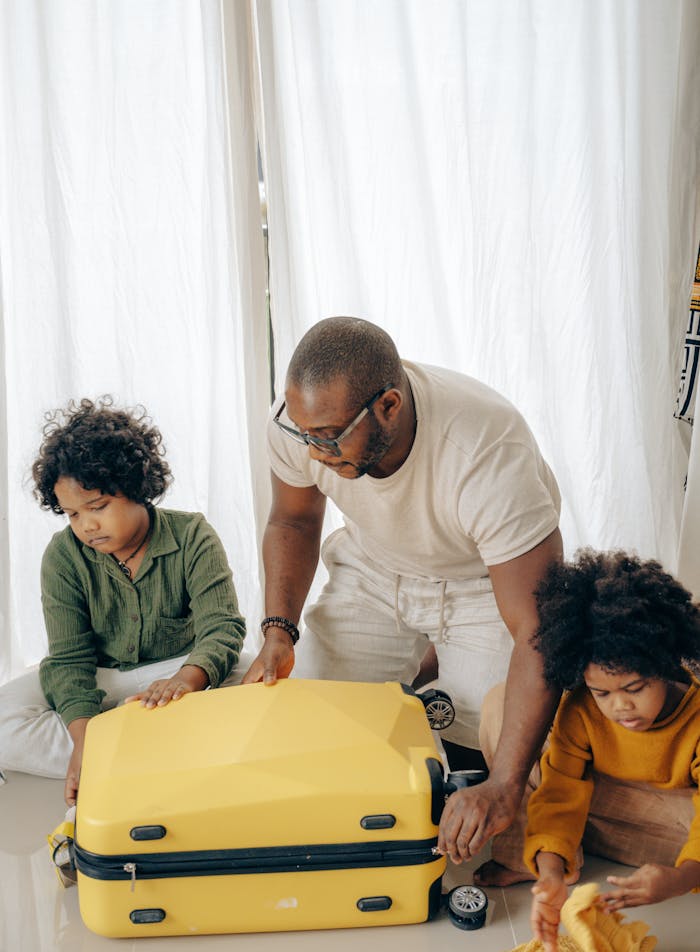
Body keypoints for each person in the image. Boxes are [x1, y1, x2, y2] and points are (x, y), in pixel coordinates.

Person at [242, 316, 564, 861]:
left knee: (500, 748)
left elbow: (539, 629)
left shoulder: (486, 450)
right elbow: (293, 521)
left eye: (329, 438)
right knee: (313, 724)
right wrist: (279, 629)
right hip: (373, 568)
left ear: (388, 406)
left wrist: (504, 787)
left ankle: (434, 676)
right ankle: (425, 674)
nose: (315, 452)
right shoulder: (301, 422)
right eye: (304, 435)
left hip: (481, 584)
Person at [0, 398, 248, 805]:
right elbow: (68, 660)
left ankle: (130, 745)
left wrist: (185, 682)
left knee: (252, 676)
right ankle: (130, 749)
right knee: (4, 719)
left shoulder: (193, 536)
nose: (86, 526)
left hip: (177, 674)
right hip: (103, 677)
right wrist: (83, 741)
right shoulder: (63, 556)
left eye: (97, 507)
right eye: (72, 515)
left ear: (138, 488)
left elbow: (221, 629)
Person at [479, 550, 700, 952]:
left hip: (676, 825)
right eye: (602, 693)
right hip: (602, 808)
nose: (620, 707)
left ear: (665, 664)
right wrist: (550, 872)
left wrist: (684, 877)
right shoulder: (582, 710)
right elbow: (560, 790)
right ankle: (556, 857)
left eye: (634, 689)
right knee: (499, 706)